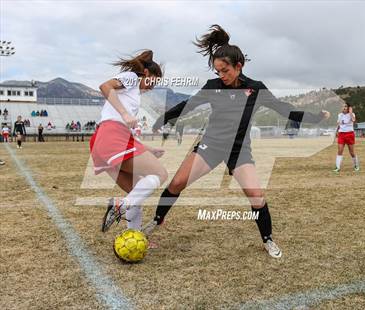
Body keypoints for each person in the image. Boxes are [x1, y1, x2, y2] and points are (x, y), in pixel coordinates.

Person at [139, 25, 330, 258]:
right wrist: (163, 118)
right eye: (218, 71)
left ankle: (267, 239)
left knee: (256, 195)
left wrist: (316, 118)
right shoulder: (213, 87)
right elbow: (188, 105)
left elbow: (285, 110)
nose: (222, 76)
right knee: (177, 183)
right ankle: (156, 222)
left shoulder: (256, 89)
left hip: (238, 150)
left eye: (225, 70)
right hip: (210, 145)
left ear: (239, 66)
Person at [90, 50, 168, 234]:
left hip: (105, 139)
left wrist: (149, 149)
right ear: (147, 74)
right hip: (112, 135)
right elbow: (105, 86)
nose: (152, 87)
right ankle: (120, 205)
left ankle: (133, 237)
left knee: (136, 195)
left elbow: (125, 131)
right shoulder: (132, 77)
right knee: (160, 174)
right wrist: (125, 113)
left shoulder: (133, 92)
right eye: (153, 81)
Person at [333, 103, 359, 172]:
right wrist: (336, 131)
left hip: (350, 134)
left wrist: (350, 112)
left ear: (348, 108)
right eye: (343, 106)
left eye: (345, 106)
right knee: (340, 150)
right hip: (341, 134)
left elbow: (353, 120)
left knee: (351, 152)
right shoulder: (339, 115)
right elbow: (338, 124)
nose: (344, 108)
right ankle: (337, 167)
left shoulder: (352, 114)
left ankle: (356, 165)